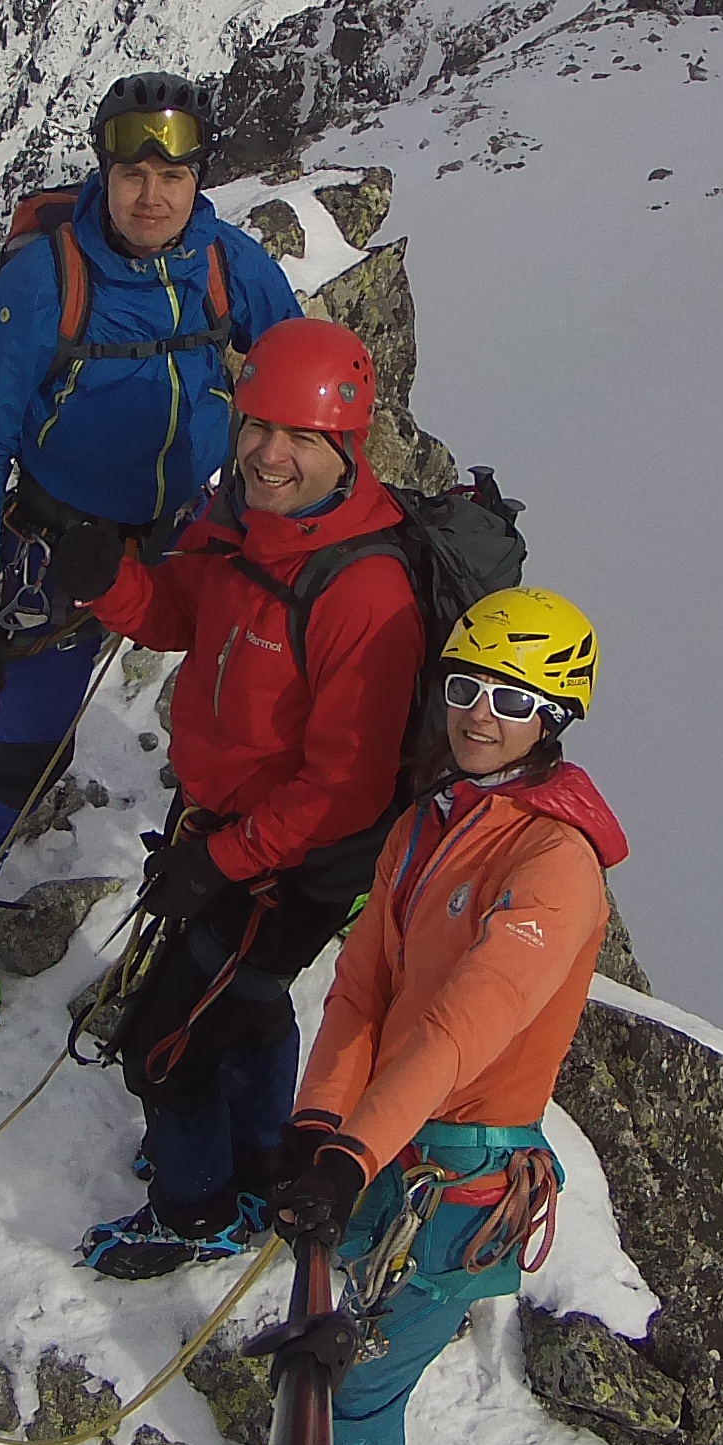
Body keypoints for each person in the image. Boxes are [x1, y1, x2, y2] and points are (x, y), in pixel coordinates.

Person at [0, 70, 296, 1021]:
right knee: (26, 753)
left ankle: (230, 884)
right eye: (132, 173)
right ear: (104, 175)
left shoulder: (228, 266)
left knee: (242, 714)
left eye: (173, 173)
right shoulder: (45, 281)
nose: (151, 195)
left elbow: (290, 382)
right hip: (59, 543)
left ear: (202, 176)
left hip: (184, 534)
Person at [50, 318, 429, 1277]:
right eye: (258, 425)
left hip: (294, 865)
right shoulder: (242, 524)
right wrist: (111, 584)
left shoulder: (365, 593)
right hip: (225, 831)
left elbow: (343, 792)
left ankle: (196, 1208)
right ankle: (256, 1158)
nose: (268, 454)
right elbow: (183, 612)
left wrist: (214, 865)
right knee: (246, 1008)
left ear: (346, 446)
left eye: (300, 438)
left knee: (162, 1051)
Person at [264, 587, 621, 1445]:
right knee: (328, 1345)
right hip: (389, 1145)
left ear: (554, 717)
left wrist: (349, 1150)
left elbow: (464, 1028)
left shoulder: (557, 863)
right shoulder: (428, 825)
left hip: (460, 1173)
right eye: (465, 687)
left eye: (511, 698)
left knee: (359, 1382)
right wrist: (320, 1124)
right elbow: (363, 991)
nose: (478, 713)